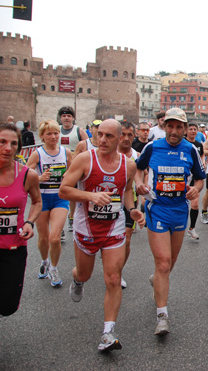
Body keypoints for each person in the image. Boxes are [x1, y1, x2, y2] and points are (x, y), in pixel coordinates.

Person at [59, 119, 145, 352]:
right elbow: (64, 189)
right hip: (86, 227)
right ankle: (77, 280)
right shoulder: (85, 159)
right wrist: (91, 196)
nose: (103, 140)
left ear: (120, 139)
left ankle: (108, 332)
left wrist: (132, 209)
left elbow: (127, 190)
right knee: (85, 273)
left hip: (114, 227)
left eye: (109, 136)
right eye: (100, 135)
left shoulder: (128, 165)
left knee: (113, 278)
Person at [135, 108, 206, 336]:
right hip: (157, 209)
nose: (174, 131)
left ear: (185, 129)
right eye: (170, 126)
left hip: (179, 211)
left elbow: (200, 179)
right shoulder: (152, 147)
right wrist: (140, 184)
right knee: (164, 263)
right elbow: (138, 169)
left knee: (169, 264)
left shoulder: (191, 150)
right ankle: (162, 316)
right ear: (164, 126)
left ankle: (156, 279)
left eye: (179, 126)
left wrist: (196, 189)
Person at [0, 122, 42, 317]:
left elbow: (37, 202)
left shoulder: (27, 175)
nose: (8, 148)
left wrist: (29, 222)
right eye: (2, 142)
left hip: (13, 248)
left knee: (8, 306)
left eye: (13, 143)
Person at [25, 120, 72, 287]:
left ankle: (53, 268)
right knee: (44, 238)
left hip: (60, 198)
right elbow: (26, 175)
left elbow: (72, 172)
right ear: (43, 136)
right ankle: (44, 261)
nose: (53, 137)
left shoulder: (65, 152)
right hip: (42, 199)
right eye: (49, 134)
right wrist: (39, 178)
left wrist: (67, 176)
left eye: (56, 133)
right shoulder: (37, 154)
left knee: (54, 237)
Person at [58, 106, 88, 232]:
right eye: (64, 116)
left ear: (73, 118)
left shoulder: (78, 131)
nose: (66, 118)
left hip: (75, 166)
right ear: (60, 118)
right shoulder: (56, 130)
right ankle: (60, 223)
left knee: (71, 193)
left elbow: (88, 145)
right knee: (58, 194)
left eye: (69, 116)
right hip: (59, 166)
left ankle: (72, 217)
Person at [117, 121, 139, 288]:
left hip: (129, 200)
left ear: (134, 136)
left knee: (127, 238)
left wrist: (142, 190)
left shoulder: (137, 156)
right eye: (122, 134)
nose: (125, 138)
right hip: (107, 201)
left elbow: (142, 175)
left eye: (129, 135)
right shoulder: (106, 154)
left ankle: (118, 272)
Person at [185, 123, 205, 240]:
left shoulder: (198, 145)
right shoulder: (182, 144)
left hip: (195, 177)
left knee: (195, 204)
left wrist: (203, 161)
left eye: (195, 129)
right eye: (190, 129)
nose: (193, 131)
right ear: (186, 131)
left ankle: (192, 228)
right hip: (183, 177)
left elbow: (202, 155)